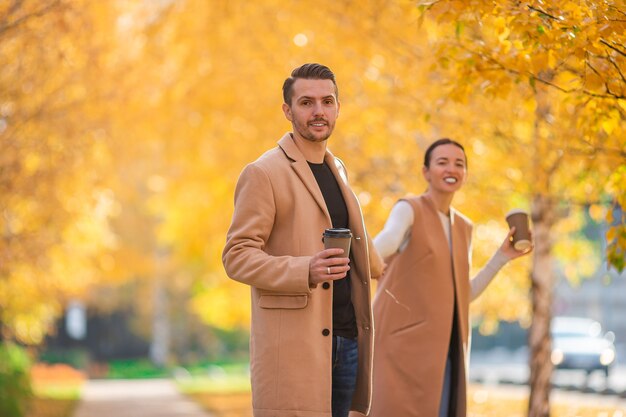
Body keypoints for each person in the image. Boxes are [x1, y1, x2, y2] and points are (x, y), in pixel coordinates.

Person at [222, 63, 384, 417]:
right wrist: (305, 269)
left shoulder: (338, 169)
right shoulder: (263, 172)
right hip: (295, 346)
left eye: (327, 101)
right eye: (307, 102)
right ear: (287, 110)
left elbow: (366, 255)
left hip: (347, 339)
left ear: (338, 107)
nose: (318, 111)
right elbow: (236, 255)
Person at [356, 138, 532, 417]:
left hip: (445, 352)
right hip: (399, 349)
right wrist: (368, 258)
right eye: (442, 162)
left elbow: (464, 294)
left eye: (459, 164)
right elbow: (388, 239)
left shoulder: (463, 227)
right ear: (426, 172)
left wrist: (502, 257)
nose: (452, 168)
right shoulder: (409, 208)